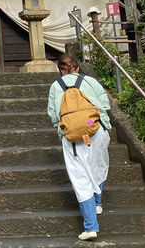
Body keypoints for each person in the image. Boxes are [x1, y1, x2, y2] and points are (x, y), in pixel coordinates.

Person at [47, 54, 111, 241]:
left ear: (60, 69)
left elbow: (53, 115)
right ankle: (98, 202)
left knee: (80, 177)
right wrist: (89, 121)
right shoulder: (90, 81)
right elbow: (104, 105)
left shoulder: (55, 86)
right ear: (77, 67)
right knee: (98, 165)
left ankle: (91, 227)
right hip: (96, 129)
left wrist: (72, 124)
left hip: (72, 138)